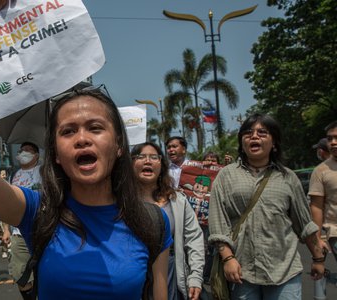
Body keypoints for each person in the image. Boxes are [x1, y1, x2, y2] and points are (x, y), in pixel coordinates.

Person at [0, 84, 172, 299]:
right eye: (68, 131)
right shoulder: (37, 211)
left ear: (119, 145)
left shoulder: (151, 220)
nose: (82, 139)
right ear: (55, 154)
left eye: (95, 128)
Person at [208, 113, 326, 299]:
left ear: (274, 142)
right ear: (242, 142)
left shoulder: (288, 178)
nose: (254, 136)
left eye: (262, 132)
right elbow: (218, 222)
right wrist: (228, 258)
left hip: (284, 271)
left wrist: (318, 258)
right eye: (248, 133)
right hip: (241, 272)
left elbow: (304, 224)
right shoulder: (225, 176)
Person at [132, 142, 204, 300]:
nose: (148, 161)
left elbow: (194, 238)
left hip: (171, 273)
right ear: (131, 164)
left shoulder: (178, 201)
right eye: (141, 157)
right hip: (133, 274)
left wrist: (195, 277)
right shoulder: (121, 202)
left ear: (162, 165)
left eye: (154, 157)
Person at [2, 141, 41, 299]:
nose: (23, 153)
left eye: (28, 150)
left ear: (36, 155)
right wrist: (5, 229)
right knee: (20, 276)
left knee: (44, 272)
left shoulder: (44, 171)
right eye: (22, 150)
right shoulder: (14, 175)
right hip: (18, 234)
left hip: (42, 231)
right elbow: (7, 204)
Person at [309, 121, 337, 265]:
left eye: (336, 138)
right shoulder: (320, 171)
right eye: (330, 138)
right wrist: (318, 239)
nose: (332, 142)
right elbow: (316, 207)